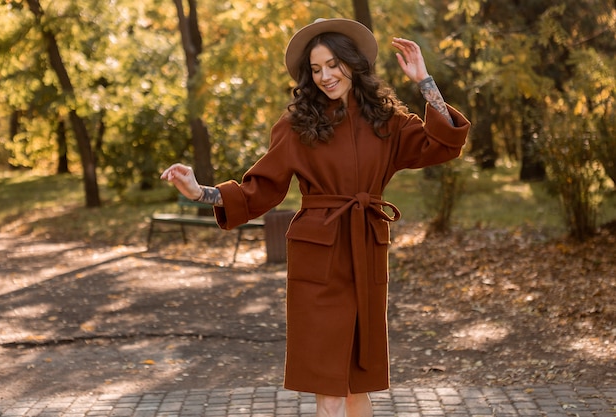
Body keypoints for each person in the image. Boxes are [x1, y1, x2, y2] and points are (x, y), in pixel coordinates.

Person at [161, 18, 470, 417]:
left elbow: (441, 143)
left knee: (358, 384)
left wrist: (425, 82)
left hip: (366, 248)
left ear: (352, 64)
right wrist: (199, 191)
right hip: (318, 256)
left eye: (332, 65)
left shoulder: (387, 121)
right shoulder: (297, 126)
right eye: (316, 69)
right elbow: (259, 190)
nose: (325, 76)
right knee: (329, 387)